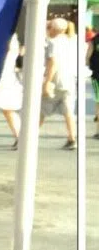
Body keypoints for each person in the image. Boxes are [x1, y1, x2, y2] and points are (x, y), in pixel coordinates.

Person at [39, 16, 77, 150]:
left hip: (56, 81)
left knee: (40, 109)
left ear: (53, 29)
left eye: (49, 27)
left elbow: (53, 63)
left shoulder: (53, 43)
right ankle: (72, 138)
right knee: (68, 111)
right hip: (69, 80)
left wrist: (47, 82)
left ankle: (27, 137)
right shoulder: (72, 41)